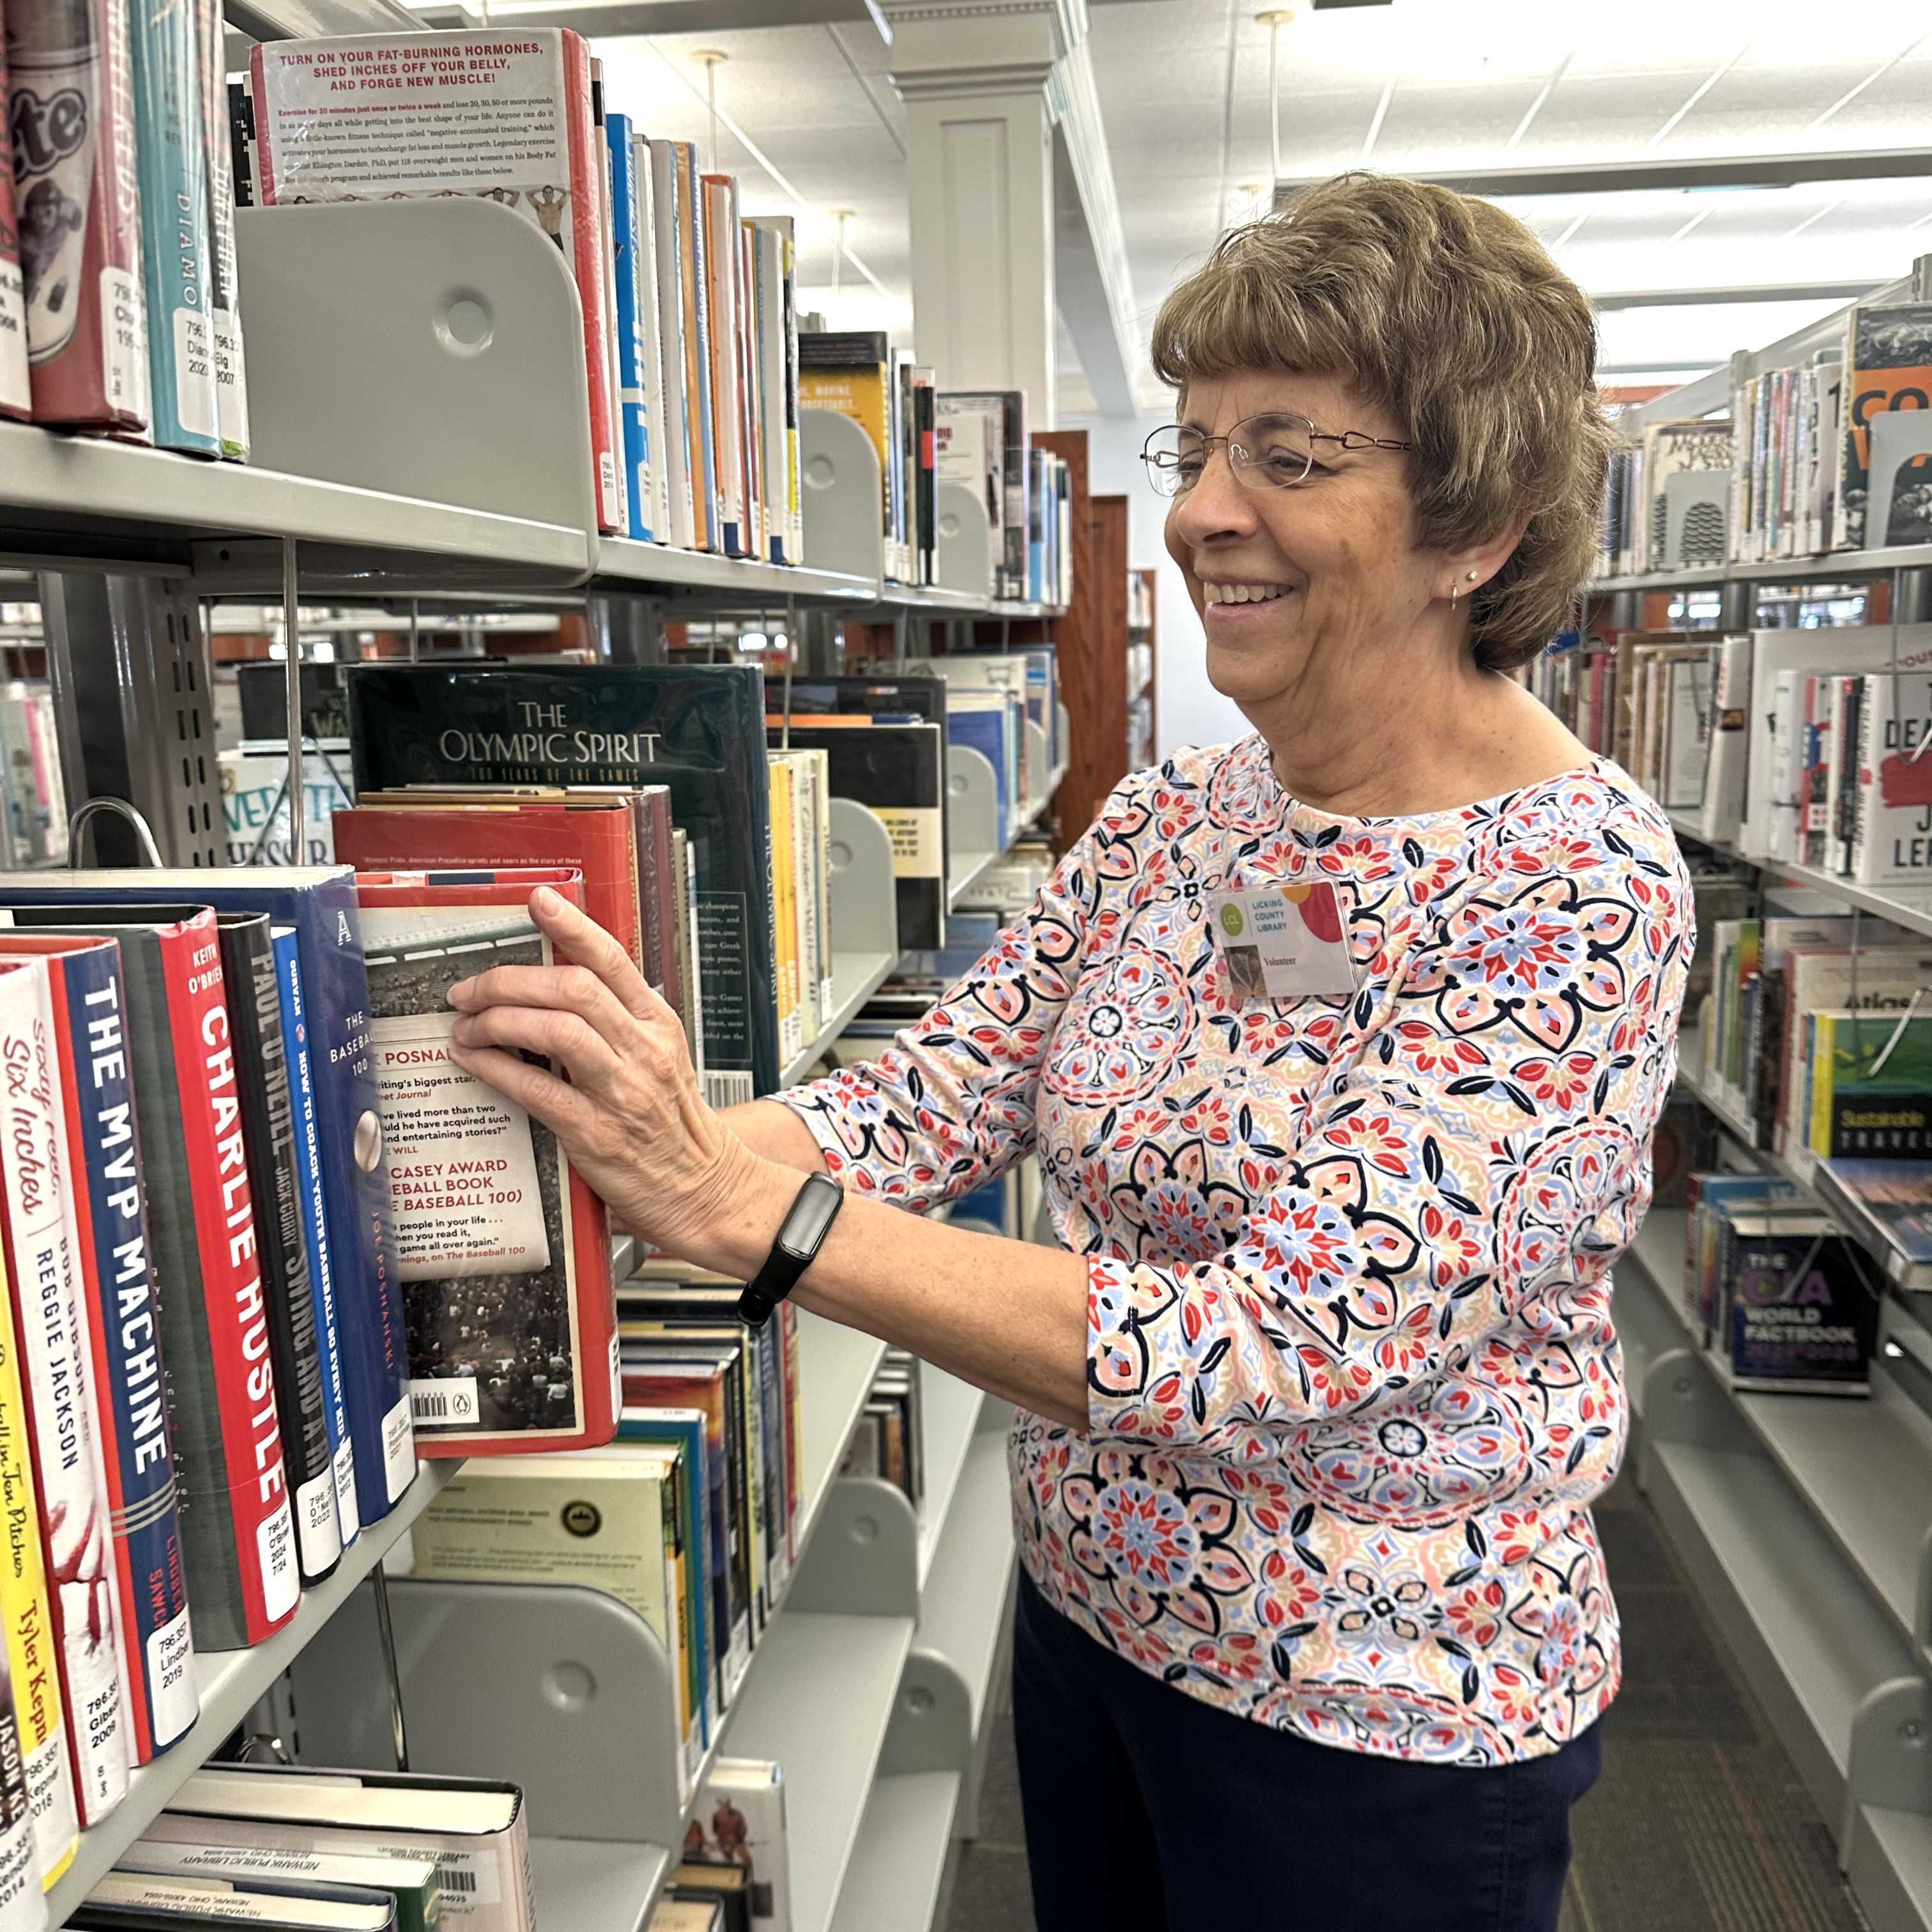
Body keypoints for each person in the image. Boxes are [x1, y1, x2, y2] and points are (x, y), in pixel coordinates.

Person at [443, 171, 1693, 1932]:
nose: (1199, 514)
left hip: (1377, 1710)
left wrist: (761, 1226)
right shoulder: (1182, 818)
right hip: (1099, 1623)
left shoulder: (1575, 886)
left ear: (1474, 523)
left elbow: (1279, 1347)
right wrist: (647, 1122)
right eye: (1194, 449)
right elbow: (930, 1095)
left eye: (1289, 453)